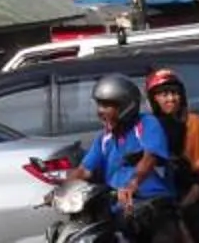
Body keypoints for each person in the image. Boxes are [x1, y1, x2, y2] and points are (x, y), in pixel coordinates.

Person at [72, 75, 176, 242]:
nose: (100, 111)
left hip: (154, 205)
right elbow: (84, 170)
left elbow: (150, 158)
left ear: (126, 107)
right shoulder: (104, 138)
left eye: (106, 106)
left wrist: (132, 184)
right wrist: (63, 188)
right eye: (99, 105)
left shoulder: (146, 124)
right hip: (122, 211)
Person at [141, 71, 199, 236]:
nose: (171, 99)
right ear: (153, 99)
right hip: (163, 205)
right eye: (164, 94)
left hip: (194, 201)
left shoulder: (194, 123)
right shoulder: (149, 127)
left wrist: (186, 203)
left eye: (175, 93)